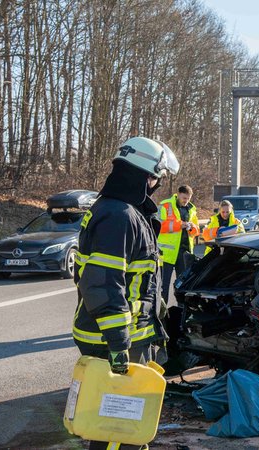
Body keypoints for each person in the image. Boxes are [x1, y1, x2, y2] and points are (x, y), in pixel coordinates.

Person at [72, 136, 179, 450]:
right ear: (144, 176)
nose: (157, 184)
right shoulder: (119, 217)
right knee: (116, 428)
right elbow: (103, 283)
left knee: (127, 423)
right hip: (115, 341)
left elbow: (136, 278)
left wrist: (156, 311)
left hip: (129, 334)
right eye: (156, 178)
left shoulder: (126, 212)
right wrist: (119, 342)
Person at [158, 185, 198, 305]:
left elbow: (196, 231)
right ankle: (162, 312)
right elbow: (158, 225)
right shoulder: (165, 205)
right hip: (167, 254)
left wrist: (191, 227)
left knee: (182, 286)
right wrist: (179, 225)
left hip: (184, 252)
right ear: (178, 194)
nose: (186, 201)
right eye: (184, 198)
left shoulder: (191, 209)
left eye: (188, 198)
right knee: (163, 287)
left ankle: (181, 310)